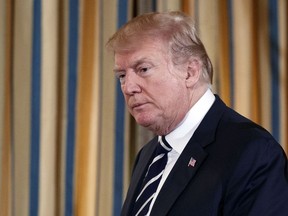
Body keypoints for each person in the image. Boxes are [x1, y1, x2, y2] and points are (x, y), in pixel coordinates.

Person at [106, 11, 288, 216]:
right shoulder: (149, 155)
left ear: (190, 72)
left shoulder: (251, 150)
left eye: (143, 69)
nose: (129, 87)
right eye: (122, 75)